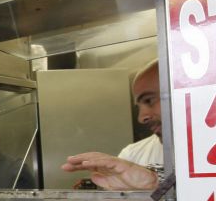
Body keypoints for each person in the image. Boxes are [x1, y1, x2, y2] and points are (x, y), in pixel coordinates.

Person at [62, 59, 164, 190]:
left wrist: (155, 180)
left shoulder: (199, 152)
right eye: (139, 106)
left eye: (149, 100)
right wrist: (154, 182)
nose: (141, 117)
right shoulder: (132, 155)